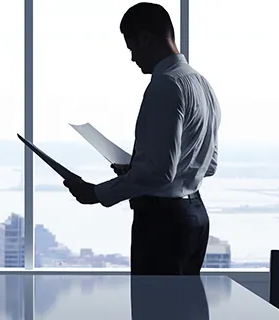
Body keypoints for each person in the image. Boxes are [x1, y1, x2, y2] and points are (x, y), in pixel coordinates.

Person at [63, 2, 221, 275]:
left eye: (132, 47)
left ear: (146, 39)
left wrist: (97, 193)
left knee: (155, 311)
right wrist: (138, 170)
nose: (133, 58)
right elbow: (209, 164)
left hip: (163, 224)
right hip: (195, 218)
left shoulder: (166, 85)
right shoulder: (202, 84)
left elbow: (159, 173)